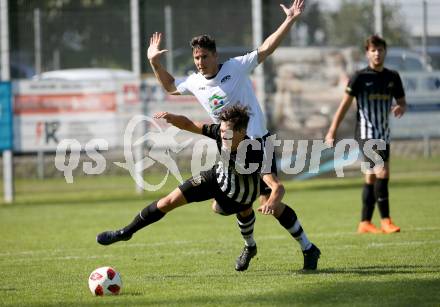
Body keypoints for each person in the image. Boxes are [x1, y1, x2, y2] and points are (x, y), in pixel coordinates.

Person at [146, 0, 320, 270]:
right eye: (196, 58)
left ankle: (308, 248)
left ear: (215, 55)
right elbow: (169, 86)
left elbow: (265, 49)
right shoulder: (194, 81)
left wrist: (290, 20)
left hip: (258, 145)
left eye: (204, 56)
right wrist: (154, 62)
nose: (200, 62)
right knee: (230, 204)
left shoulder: (236, 67)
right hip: (228, 148)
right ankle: (250, 247)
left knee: (269, 200)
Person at [97, 105, 320, 271]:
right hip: (216, 177)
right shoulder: (220, 132)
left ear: (242, 132)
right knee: (168, 202)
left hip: (241, 190)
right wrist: (173, 118)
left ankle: (285, 247)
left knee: (230, 208)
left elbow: (276, 187)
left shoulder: (255, 153)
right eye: (222, 130)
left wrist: (271, 202)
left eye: (228, 132)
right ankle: (126, 232)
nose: (223, 134)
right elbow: (190, 125)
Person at [325, 35, 407, 234]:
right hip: (365, 133)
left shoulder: (393, 77)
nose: (377, 53)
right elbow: (344, 106)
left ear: (385, 52)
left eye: (380, 49)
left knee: (371, 177)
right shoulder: (360, 77)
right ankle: (386, 220)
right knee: (382, 172)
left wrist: (400, 108)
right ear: (367, 53)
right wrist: (331, 131)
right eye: (373, 50)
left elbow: (402, 102)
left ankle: (364, 222)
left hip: (384, 134)